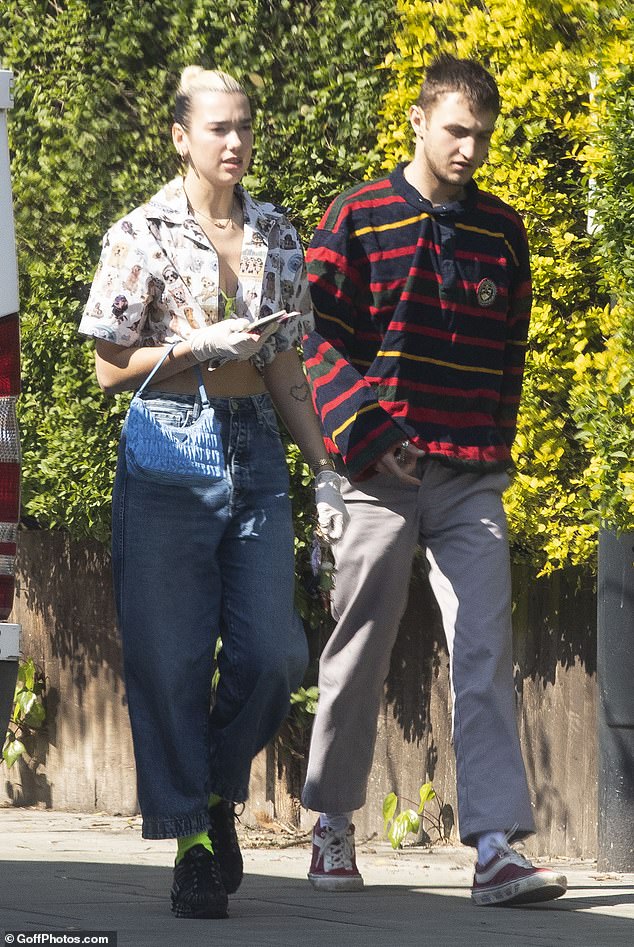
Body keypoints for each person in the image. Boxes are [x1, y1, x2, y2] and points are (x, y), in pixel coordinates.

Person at [79, 65, 348, 920]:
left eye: (244, 126)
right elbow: (107, 366)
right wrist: (195, 348)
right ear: (181, 137)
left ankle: (215, 790)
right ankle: (192, 839)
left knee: (275, 655)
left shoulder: (275, 232)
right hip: (170, 444)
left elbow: (284, 360)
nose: (235, 142)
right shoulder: (141, 232)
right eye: (218, 128)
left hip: (256, 449)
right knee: (171, 657)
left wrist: (326, 467)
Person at [301, 53, 568, 906]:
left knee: (485, 652)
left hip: (468, 478)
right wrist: (366, 436)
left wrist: (495, 444)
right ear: (418, 121)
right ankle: (332, 822)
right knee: (359, 648)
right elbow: (310, 338)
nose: (470, 149)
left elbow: (511, 354)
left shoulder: (503, 232)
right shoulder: (357, 216)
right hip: (377, 471)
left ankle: (494, 847)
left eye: (482, 135)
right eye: (456, 130)